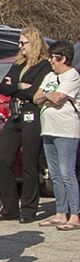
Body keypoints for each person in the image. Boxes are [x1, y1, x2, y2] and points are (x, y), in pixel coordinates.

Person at [0, 28, 51, 223]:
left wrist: (18, 87)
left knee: (29, 162)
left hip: (31, 114)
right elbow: (4, 87)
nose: (20, 46)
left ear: (33, 44)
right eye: (19, 42)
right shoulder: (19, 64)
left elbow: (35, 93)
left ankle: (28, 208)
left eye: (23, 43)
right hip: (15, 114)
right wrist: (20, 86)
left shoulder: (43, 66)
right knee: (3, 159)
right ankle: (9, 207)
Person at [34, 40, 80, 230]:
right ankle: (60, 212)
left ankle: (75, 215)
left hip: (66, 129)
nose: (51, 61)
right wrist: (47, 98)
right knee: (55, 174)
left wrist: (48, 98)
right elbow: (36, 98)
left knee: (67, 172)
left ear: (63, 58)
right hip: (49, 128)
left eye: (54, 57)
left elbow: (60, 98)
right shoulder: (49, 76)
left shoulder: (72, 76)